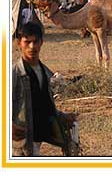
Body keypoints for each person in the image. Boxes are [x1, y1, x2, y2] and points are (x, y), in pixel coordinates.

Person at [12, 22, 77, 156]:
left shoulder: (46, 73)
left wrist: (62, 117)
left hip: (35, 140)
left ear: (41, 43)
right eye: (27, 42)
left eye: (35, 42)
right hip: (16, 144)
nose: (32, 47)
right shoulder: (13, 74)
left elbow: (43, 105)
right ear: (19, 43)